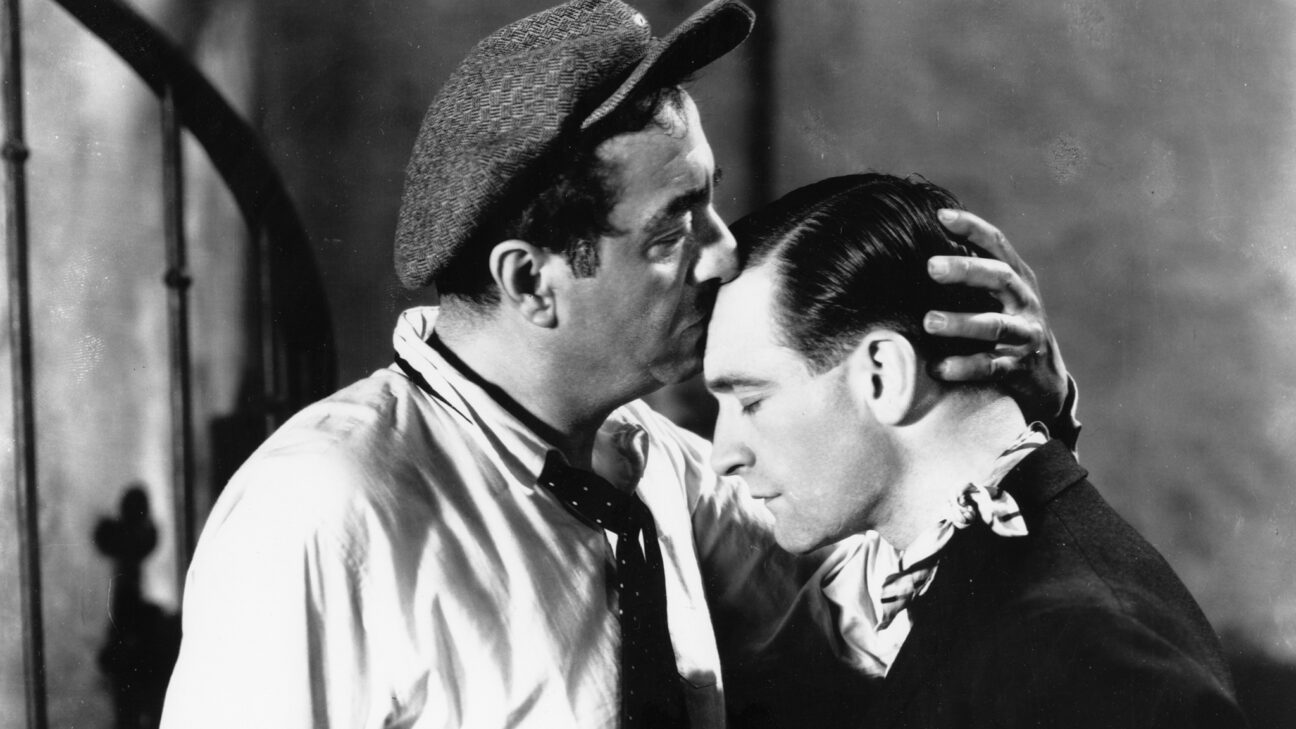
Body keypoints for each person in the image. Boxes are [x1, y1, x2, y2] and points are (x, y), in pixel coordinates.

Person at [159, 2, 1074, 728]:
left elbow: (864, 617)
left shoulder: (650, 462)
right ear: (532, 281)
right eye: (674, 228)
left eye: (710, 204)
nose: (724, 253)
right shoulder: (322, 510)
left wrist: (1016, 425)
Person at [704, 172, 1246, 728]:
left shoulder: (1087, 653)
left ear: (883, 375)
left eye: (750, 401)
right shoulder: (989, 586)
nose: (723, 455)